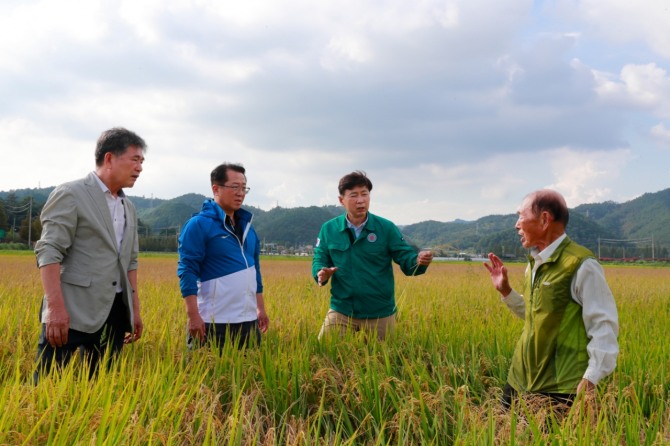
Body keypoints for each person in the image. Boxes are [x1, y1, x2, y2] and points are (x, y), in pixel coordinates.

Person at [483, 189, 619, 408]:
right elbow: (536, 314)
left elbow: (604, 326)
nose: (516, 225)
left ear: (544, 219)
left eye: (521, 216)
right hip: (520, 377)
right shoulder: (534, 264)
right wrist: (506, 291)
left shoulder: (581, 264)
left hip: (559, 386)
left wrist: (591, 377)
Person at [34, 127, 147, 382]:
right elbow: (49, 250)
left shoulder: (128, 206)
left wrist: (134, 310)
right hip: (71, 311)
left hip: (114, 314)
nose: (139, 167)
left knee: (100, 386)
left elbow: (130, 260)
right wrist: (54, 308)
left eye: (142, 161)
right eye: (134, 159)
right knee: (48, 385)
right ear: (109, 158)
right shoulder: (71, 193)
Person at [312, 170, 433, 340]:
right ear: (341, 200)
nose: (360, 200)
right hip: (342, 310)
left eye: (365, 194)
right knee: (323, 351)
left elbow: (407, 260)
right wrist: (320, 272)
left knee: (385, 361)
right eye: (354, 195)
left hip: (380, 312)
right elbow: (320, 258)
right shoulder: (329, 229)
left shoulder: (386, 228)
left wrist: (419, 260)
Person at [177, 163, 269, 350]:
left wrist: (260, 309)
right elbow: (187, 270)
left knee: (248, 377)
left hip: (248, 322)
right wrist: (193, 315)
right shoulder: (198, 225)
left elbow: (255, 273)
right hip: (213, 322)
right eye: (235, 187)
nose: (240, 193)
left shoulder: (249, 230)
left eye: (244, 188)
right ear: (216, 189)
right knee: (206, 376)